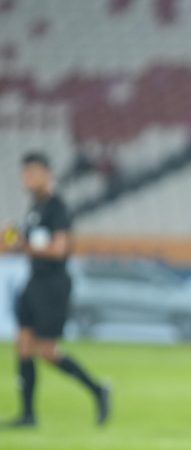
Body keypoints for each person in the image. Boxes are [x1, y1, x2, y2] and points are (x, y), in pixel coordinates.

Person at [1, 152, 110, 428]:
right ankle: (28, 415)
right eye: (25, 174)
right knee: (23, 346)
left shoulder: (57, 208)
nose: (28, 179)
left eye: (33, 173)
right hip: (33, 281)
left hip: (52, 286)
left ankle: (97, 389)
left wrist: (24, 245)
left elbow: (60, 249)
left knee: (46, 350)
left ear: (47, 175)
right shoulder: (34, 209)